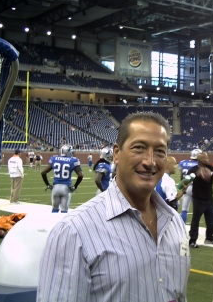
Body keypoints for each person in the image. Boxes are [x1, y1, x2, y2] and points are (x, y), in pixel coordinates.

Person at [37, 112, 190, 302]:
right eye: (139, 148)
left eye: (160, 151)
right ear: (116, 154)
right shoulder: (73, 232)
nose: (150, 161)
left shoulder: (174, 222)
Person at [188, 151, 213, 248]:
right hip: (198, 199)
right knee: (196, 220)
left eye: (207, 158)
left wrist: (211, 174)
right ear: (200, 160)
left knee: (211, 220)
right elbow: (186, 179)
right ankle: (192, 240)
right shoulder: (194, 169)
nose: (207, 159)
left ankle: (209, 238)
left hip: (209, 198)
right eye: (205, 158)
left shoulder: (210, 168)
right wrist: (197, 175)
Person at [41, 144, 84, 213]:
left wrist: (48, 185)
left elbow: (43, 173)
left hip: (55, 188)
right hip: (66, 188)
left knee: (54, 210)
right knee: (64, 211)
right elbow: (81, 175)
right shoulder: (73, 160)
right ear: (68, 152)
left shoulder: (54, 158)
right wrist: (75, 186)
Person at [179, 148, 202, 223]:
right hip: (195, 188)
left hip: (185, 187)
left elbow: (181, 175)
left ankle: (183, 227)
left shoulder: (183, 163)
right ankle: (195, 227)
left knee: (184, 209)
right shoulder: (199, 165)